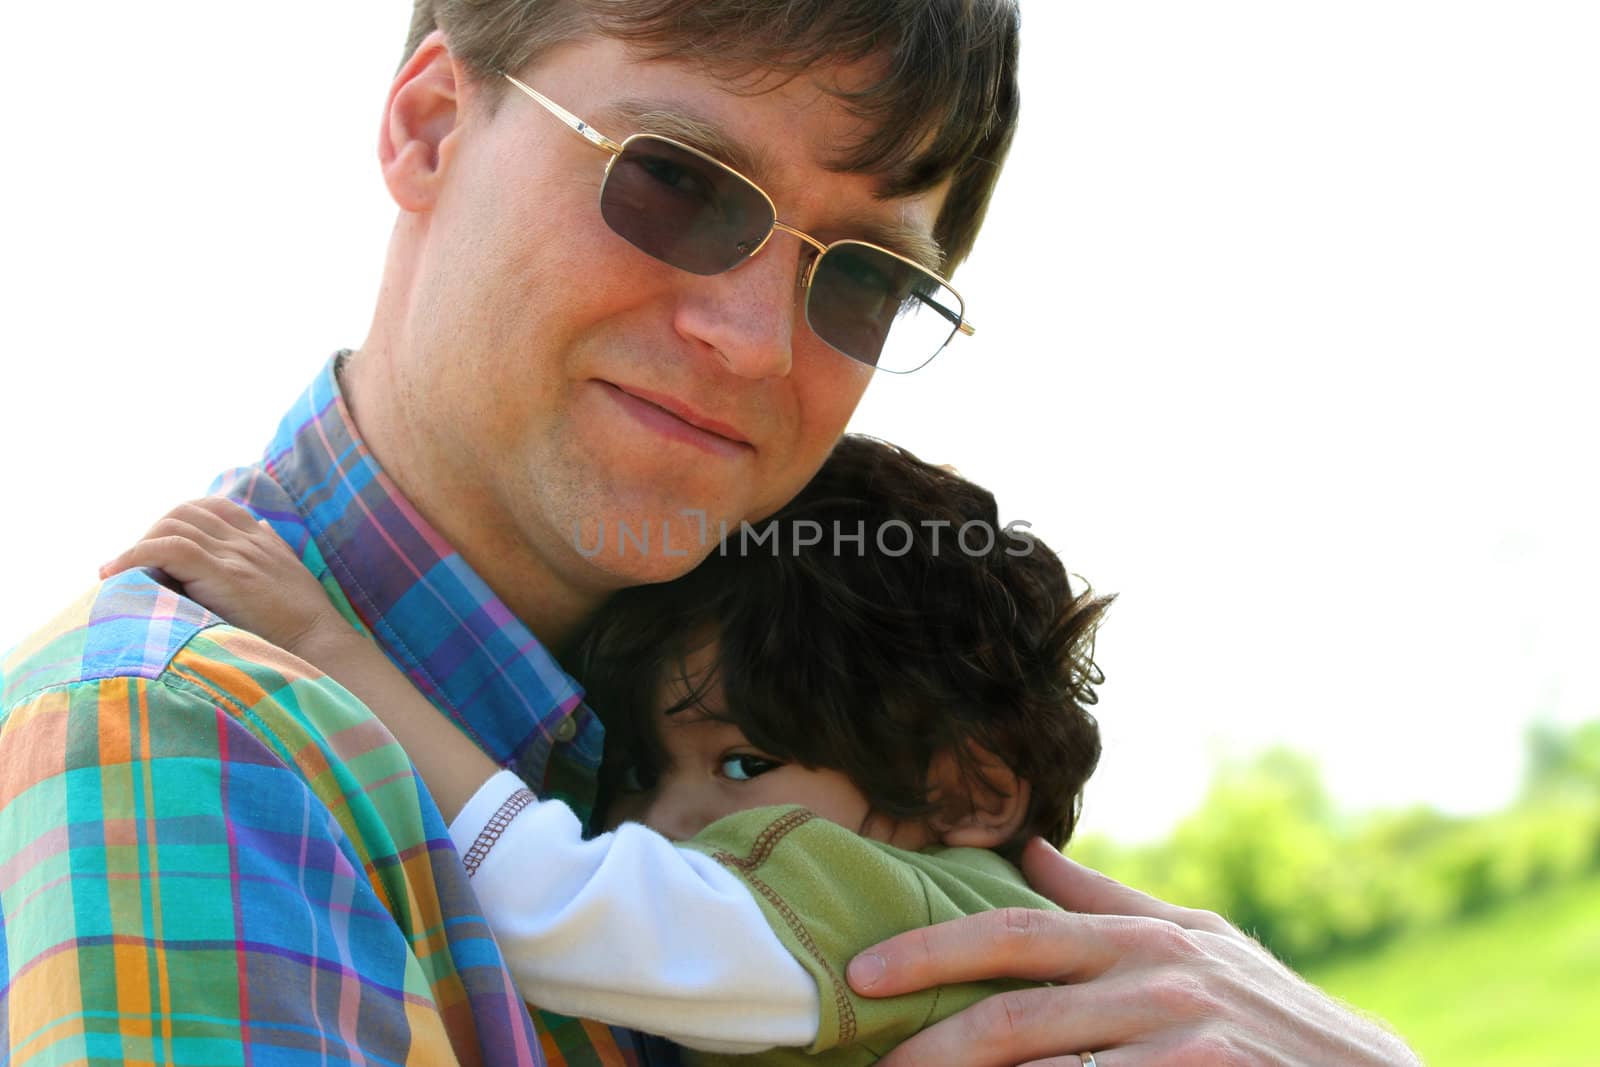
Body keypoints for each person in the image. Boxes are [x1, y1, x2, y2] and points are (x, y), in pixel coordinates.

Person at [0, 1, 1418, 1064]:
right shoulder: (189, 739)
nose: (750, 340)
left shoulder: (759, 724)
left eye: (862, 277)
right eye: (673, 181)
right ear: (430, 126)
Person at [99, 434, 1112, 1063]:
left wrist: (332, 650)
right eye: (639, 772)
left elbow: (559, 909)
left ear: (968, 788)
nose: (654, 819)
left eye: (742, 765)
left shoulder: (886, 907)